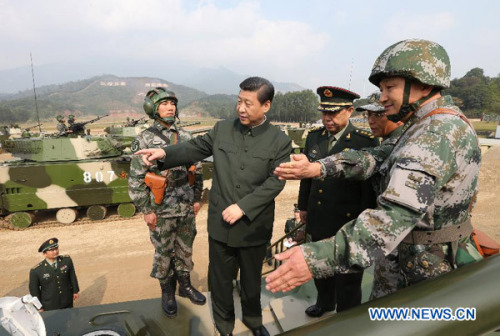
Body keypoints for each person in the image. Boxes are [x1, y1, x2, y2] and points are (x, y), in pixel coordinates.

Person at [266, 39, 482, 296]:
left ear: (424, 84)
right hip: (409, 262)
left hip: (422, 274)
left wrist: (315, 258)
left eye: (390, 87)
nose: (382, 98)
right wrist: (318, 168)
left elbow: (393, 218)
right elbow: (378, 156)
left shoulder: (435, 133)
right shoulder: (425, 125)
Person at [135, 76, 291, 336]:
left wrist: (243, 207)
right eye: (239, 101)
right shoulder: (222, 129)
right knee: (219, 280)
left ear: (266, 106)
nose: (240, 108)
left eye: (248, 104)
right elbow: (195, 148)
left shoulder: (279, 141)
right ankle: (224, 324)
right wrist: (164, 154)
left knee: (252, 282)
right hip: (222, 225)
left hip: (254, 225)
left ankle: (253, 321)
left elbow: (276, 181)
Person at [298, 86, 378, 317]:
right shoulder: (315, 137)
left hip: (348, 220)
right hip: (319, 217)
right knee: (320, 268)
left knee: (348, 276)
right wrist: (303, 207)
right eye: (324, 113)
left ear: (350, 111)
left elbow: (367, 189)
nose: (327, 118)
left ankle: (347, 316)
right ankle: (324, 303)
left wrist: (365, 219)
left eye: (333, 113)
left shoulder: (364, 143)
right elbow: (306, 177)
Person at [128, 87, 205, 319]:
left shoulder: (186, 136)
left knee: (185, 247)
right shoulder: (143, 138)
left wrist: (197, 197)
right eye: (164, 103)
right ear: (153, 108)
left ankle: (186, 286)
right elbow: (136, 179)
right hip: (160, 208)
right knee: (164, 252)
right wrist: (146, 209)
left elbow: (197, 169)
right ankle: (167, 292)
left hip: (185, 205)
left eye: (172, 103)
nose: (170, 107)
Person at [29, 238, 80, 312]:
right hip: (50, 305)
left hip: (67, 300)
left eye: (56, 249)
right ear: (44, 253)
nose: (55, 251)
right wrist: (39, 307)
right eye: (52, 250)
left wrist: (75, 291)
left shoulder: (66, 261)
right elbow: (34, 291)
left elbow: (72, 276)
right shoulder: (36, 270)